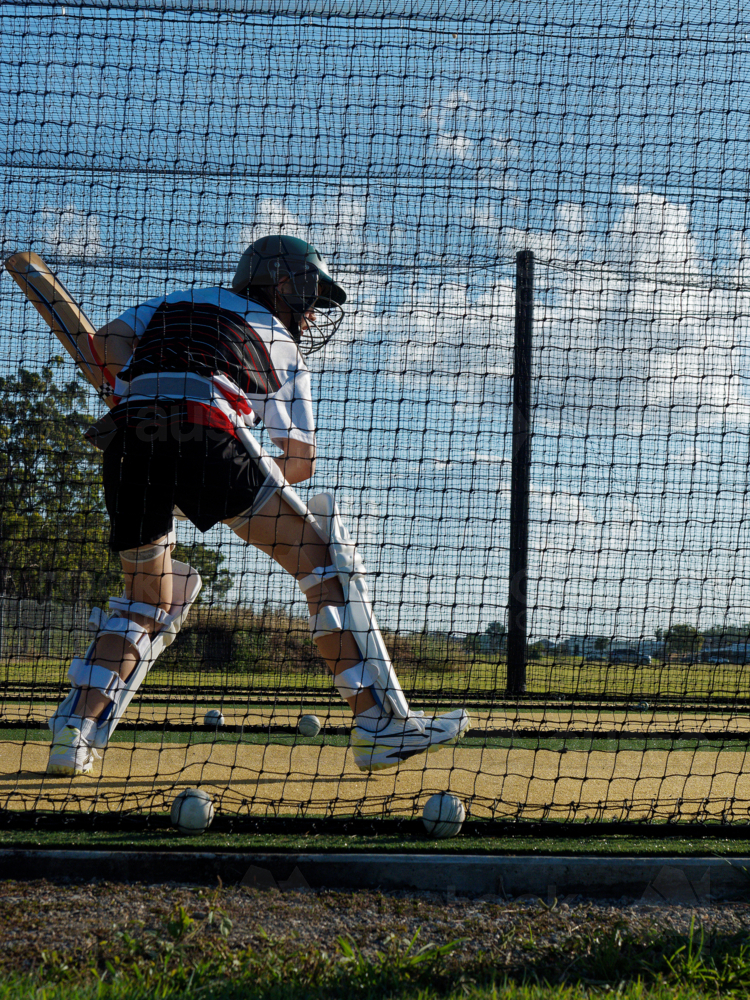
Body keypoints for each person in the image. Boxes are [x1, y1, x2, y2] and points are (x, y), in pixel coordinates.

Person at [46, 235, 470, 777]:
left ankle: (72, 735)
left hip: (127, 441)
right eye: (311, 296)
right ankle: (378, 727)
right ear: (283, 282)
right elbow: (299, 459)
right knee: (321, 561)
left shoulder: (172, 303)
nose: (314, 313)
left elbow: (102, 348)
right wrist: (224, 487)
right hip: (208, 433)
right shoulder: (278, 339)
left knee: (146, 603)